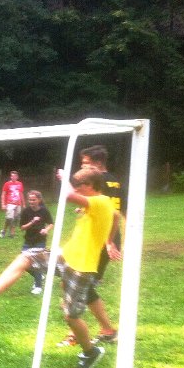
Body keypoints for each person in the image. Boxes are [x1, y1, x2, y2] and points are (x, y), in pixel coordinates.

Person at [0, 168, 120, 368]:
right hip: (65, 256)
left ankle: (91, 352)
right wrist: (109, 241)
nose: (76, 189)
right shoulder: (100, 204)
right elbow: (115, 216)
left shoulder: (99, 202)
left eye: (78, 186)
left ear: (90, 186)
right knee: (26, 257)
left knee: (71, 317)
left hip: (81, 268)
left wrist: (64, 178)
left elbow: (68, 196)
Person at [58, 145, 123, 347]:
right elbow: (112, 213)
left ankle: (78, 332)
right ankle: (105, 330)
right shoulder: (114, 181)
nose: (82, 167)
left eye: (85, 163)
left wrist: (108, 242)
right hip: (102, 237)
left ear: (98, 163)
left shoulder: (99, 182)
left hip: (99, 240)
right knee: (75, 283)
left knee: (80, 284)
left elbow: (111, 212)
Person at [19, 190, 53, 295]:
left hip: (40, 241)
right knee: (24, 263)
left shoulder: (44, 211)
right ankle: (39, 276)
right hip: (28, 241)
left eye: (33, 200)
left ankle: (38, 286)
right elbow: (22, 227)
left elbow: (51, 223)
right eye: (30, 200)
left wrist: (46, 230)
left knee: (37, 263)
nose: (31, 202)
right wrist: (32, 222)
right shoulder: (26, 211)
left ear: (39, 200)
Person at [0, 170, 25, 238]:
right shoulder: (7, 184)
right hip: (10, 203)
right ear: (10, 177)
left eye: (15, 176)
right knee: (9, 218)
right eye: (12, 176)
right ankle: (4, 231)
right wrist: (3, 204)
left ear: (17, 177)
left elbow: (21, 194)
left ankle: (12, 234)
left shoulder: (20, 184)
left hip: (18, 204)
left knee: (16, 219)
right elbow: (3, 194)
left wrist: (24, 204)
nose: (13, 177)